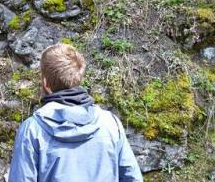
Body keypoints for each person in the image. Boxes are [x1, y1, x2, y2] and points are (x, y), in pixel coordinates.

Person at [9, 43, 143, 182]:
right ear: (79, 78)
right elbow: (132, 178)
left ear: (45, 83)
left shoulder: (32, 130)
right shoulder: (111, 124)